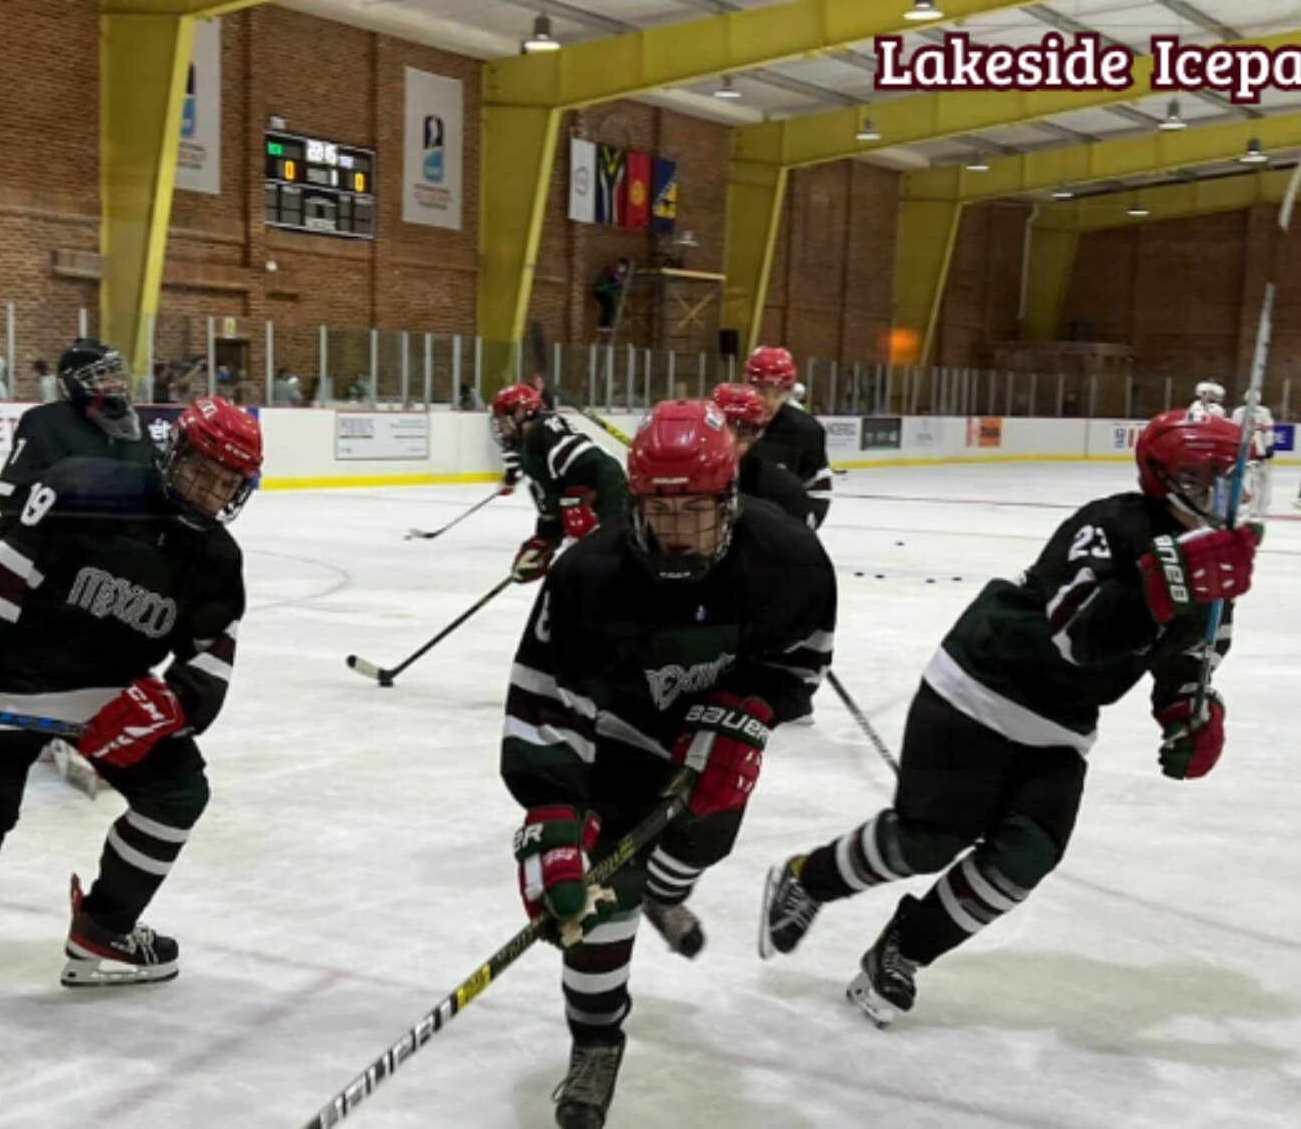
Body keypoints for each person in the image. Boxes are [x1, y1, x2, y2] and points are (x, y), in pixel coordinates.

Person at [758, 411, 1253, 1028]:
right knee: (926, 841)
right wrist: (1168, 587)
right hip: (977, 688)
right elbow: (1078, 636)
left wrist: (1190, 714)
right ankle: (810, 878)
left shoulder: (1220, 571)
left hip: (1060, 726)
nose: (1230, 493)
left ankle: (902, 951)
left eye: (1236, 479)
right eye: (1213, 477)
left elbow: (1190, 660)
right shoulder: (1110, 523)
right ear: (1172, 477)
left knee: (1026, 856)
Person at [0, 397, 260, 986]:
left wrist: (170, 704)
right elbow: (3, 571)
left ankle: (105, 928)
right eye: (199, 467)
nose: (206, 490)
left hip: (111, 697)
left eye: (225, 483)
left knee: (178, 796)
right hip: (5, 683)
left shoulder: (218, 559)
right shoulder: (87, 487)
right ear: (174, 452)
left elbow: (210, 656)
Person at [504, 399, 836, 1127]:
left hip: (712, 739)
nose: (680, 531)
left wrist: (746, 714)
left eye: (699, 511)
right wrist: (553, 811)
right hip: (617, 741)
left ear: (732, 498)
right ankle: (595, 1041)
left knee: (701, 838)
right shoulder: (589, 574)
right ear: (638, 501)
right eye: (662, 510)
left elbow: (800, 661)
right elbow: (542, 702)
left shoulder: (788, 558)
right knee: (598, 898)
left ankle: (660, 889)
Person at [0, 339, 153, 540]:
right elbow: (14, 487)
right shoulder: (46, 423)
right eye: (100, 376)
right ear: (73, 384)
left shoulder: (136, 425)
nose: (114, 383)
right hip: (68, 548)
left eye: (115, 374)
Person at [490, 383, 627, 586]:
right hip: (603, 511)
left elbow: (585, 459)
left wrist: (577, 501)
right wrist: (542, 544)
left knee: (611, 571)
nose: (501, 428)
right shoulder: (529, 450)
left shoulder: (543, 427)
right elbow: (553, 506)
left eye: (503, 419)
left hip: (612, 502)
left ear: (521, 412)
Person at [744, 346, 831, 525]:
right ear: (747, 384)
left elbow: (817, 492)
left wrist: (796, 536)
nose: (768, 402)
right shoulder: (727, 423)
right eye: (760, 390)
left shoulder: (807, 431)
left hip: (780, 534)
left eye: (777, 393)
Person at [711, 383, 812, 527]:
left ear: (756, 435)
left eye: (743, 433)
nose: (731, 442)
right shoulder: (682, 484)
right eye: (723, 429)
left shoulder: (785, 491)